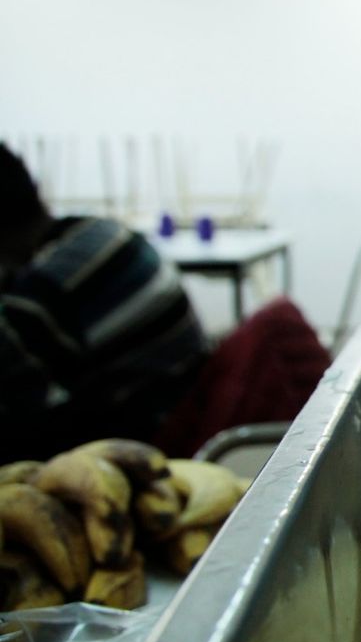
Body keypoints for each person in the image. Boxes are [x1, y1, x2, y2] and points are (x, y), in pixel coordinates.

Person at [0, 144, 209, 462]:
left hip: (158, 447)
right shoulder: (104, 232)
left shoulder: (35, 299)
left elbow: (29, 425)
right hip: (193, 404)